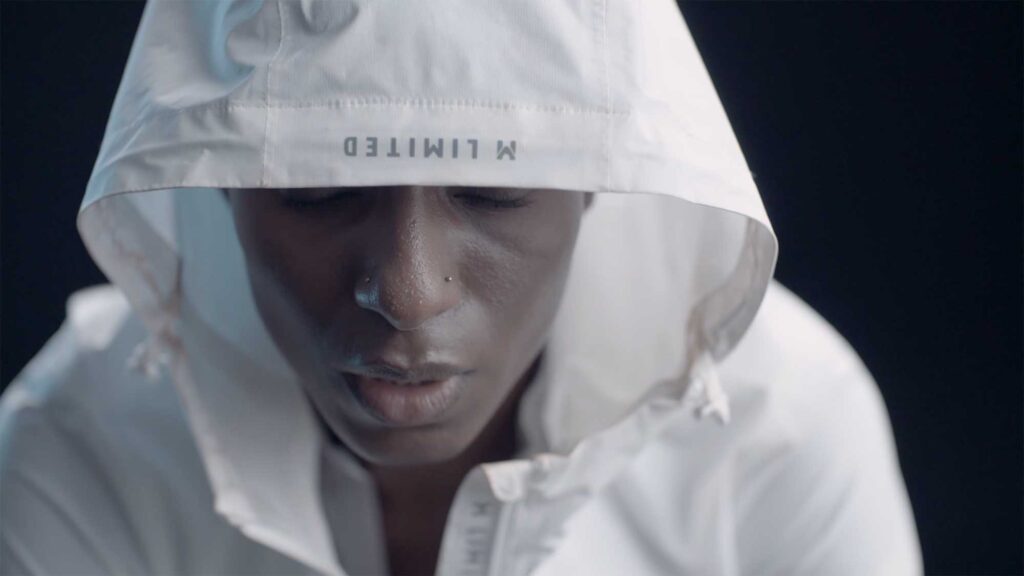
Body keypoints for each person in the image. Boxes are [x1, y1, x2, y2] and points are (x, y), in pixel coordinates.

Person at [0, 1, 923, 575]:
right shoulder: (79, 450)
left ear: (596, 177)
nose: (407, 291)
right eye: (317, 190)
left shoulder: (780, 429)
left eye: (494, 192)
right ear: (224, 184)